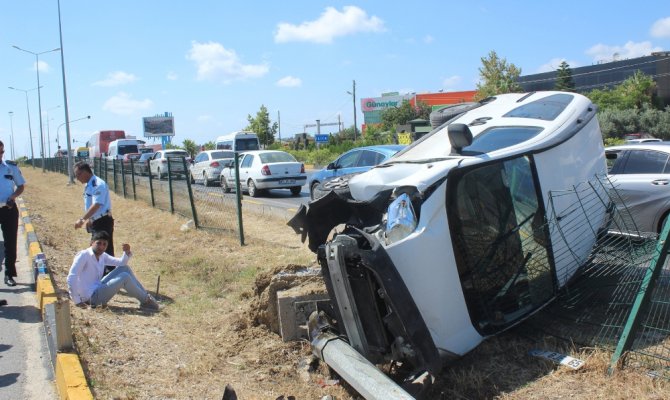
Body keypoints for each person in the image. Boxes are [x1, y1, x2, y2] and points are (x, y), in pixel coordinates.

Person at [66, 231, 159, 310]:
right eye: (99, 243)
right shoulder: (84, 255)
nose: (101, 247)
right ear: (92, 243)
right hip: (90, 297)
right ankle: (146, 301)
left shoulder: (102, 255)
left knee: (125, 269)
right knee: (124, 277)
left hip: (98, 287)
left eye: (104, 244)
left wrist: (126, 252)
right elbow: (71, 277)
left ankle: (147, 298)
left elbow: (122, 263)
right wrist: (77, 301)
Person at [73, 161, 115, 258]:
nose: (77, 178)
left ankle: (108, 272)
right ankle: (101, 272)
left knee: (102, 252)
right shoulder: (89, 184)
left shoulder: (97, 184)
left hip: (103, 222)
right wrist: (90, 219)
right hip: (97, 221)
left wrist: (82, 219)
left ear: (85, 172)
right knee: (98, 252)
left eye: (78, 175)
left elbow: (96, 205)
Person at [0, 140, 25, 287]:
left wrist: (13, 197)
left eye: (2, 152)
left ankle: (9, 275)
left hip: (8, 208)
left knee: (10, 242)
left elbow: (21, 186)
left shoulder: (10, 167)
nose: (0, 155)